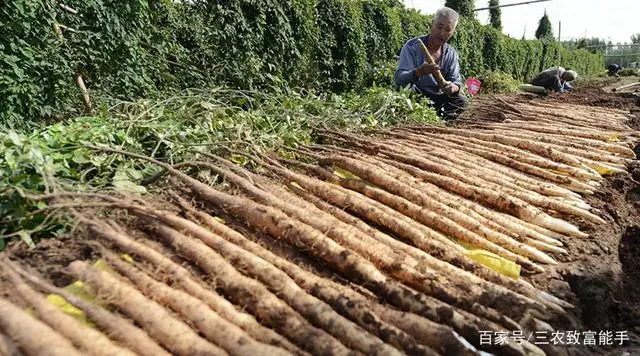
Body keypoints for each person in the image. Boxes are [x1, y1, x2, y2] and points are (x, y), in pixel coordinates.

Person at [394, 7, 466, 120]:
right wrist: (418, 72)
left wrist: (452, 87)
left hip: (436, 99)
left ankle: (447, 127)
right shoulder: (412, 47)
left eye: (448, 30)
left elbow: (456, 81)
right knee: (405, 89)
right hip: (415, 97)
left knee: (460, 100)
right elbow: (399, 78)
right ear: (432, 24)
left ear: (453, 32)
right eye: (439, 27)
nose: (442, 33)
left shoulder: (451, 54)